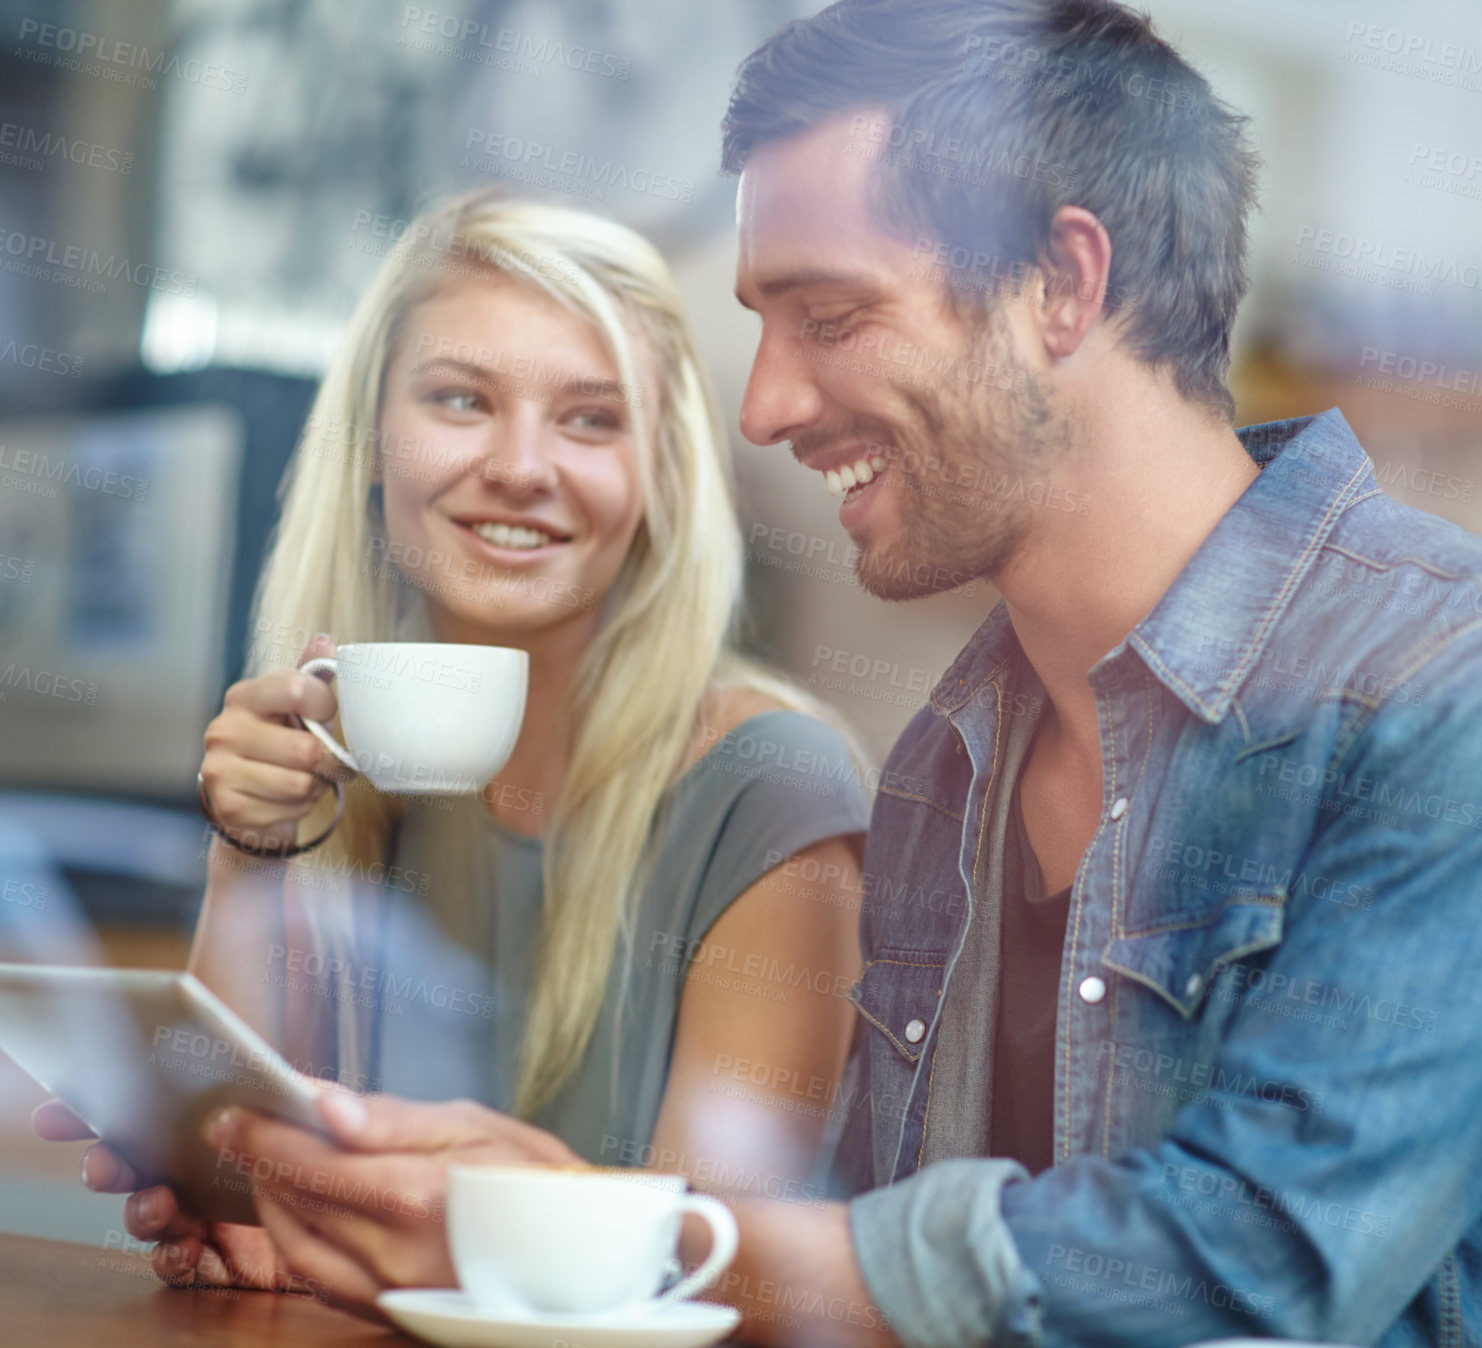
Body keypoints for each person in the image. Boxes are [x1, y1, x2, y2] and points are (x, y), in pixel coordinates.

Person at [62, 3, 1482, 1343]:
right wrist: (469, 1240)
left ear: (1060, 282)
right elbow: (856, 1284)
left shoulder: (1436, 681)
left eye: (829, 315)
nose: (765, 405)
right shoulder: (948, 756)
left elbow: (1266, 1262)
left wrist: (647, 1241)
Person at [34, 189, 868, 1299]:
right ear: (374, 446)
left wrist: (377, 1246)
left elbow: (715, 1271)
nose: (523, 466)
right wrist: (248, 851)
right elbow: (238, 1172)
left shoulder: (773, 789)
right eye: (463, 399)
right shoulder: (342, 770)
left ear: (660, 478)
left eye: (590, 417)